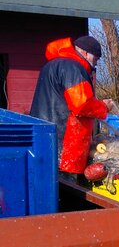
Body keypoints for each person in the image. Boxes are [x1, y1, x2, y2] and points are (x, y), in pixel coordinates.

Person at [30, 36, 113, 182]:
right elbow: (82, 105)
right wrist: (104, 107)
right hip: (65, 146)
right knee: (66, 191)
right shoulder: (74, 68)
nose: (95, 63)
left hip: (45, 142)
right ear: (87, 53)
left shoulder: (51, 65)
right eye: (96, 59)